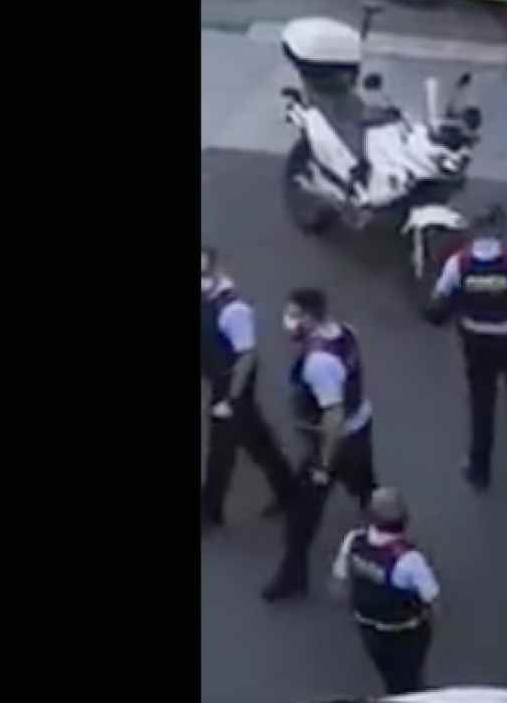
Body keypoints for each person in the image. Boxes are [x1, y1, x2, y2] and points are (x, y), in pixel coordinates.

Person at [425, 204, 507, 490]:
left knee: (481, 404)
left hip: (477, 341)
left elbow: (440, 297)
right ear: (498, 229)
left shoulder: (458, 263)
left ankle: (479, 468)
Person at [264, 287, 378, 602]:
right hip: (360, 428)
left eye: (295, 316)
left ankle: (292, 577)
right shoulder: (345, 333)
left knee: (302, 516)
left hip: (336, 443)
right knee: (364, 482)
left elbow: (333, 415)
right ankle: (381, 525)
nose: (288, 322)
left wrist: (323, 466)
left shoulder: (319, 363)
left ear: (312, 318)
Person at [201, 247, 296, 528]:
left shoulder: (234, 309)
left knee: (222, 448)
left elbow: (246, 356)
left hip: (232, 383)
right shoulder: (208, 296)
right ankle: (288, 488)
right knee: (255, 437)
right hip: (219, 375)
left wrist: (230, 398)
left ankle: (209, 510)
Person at [331, 487, 440, 696]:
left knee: (388, 671)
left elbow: (338, 584)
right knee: (409, 674)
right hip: (405, 631)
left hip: (368, 628)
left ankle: (397, 690)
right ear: (405, 519)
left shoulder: (354, 540)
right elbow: (434, 600)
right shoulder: (409, 559)